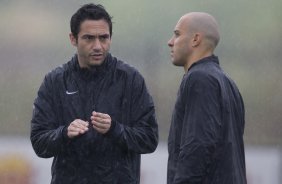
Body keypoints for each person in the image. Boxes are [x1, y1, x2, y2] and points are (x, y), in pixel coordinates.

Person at [30, 3, 158, 184]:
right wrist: (64, 133)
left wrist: (115, 129)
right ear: (73, 39)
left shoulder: (131, 79)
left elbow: (150, 139)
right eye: (89, 38)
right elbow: (39, 143)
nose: (97, 46)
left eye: (103, 38)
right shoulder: (55, 81)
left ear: (111, 38)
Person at [167, 12, 247, 184]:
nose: (170, 42)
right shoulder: (228, 83)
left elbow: (198, 146)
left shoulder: (200, 79)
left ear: (195, 39)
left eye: (177, 34)